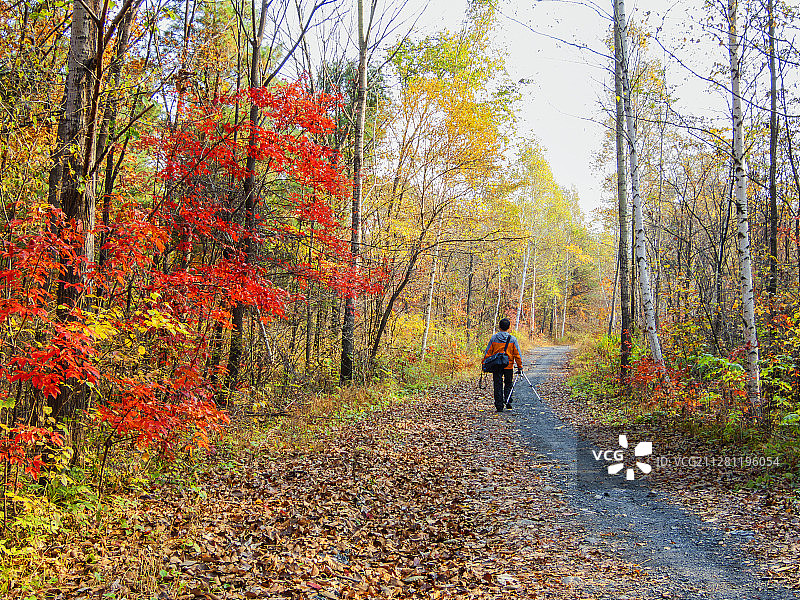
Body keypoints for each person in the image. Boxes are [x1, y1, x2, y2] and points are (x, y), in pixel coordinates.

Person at [482, 318, 523, 412]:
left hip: (496, 366)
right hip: (508, 366)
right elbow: (517, 354)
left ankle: (499, 405)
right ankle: (508, 400)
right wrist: (520, 366)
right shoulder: (512, 339)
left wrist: (484, 363)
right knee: (508, 383)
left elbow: (488, 352)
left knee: (497, 385)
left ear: (499, 327)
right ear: (509, 327)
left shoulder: (494, 338)